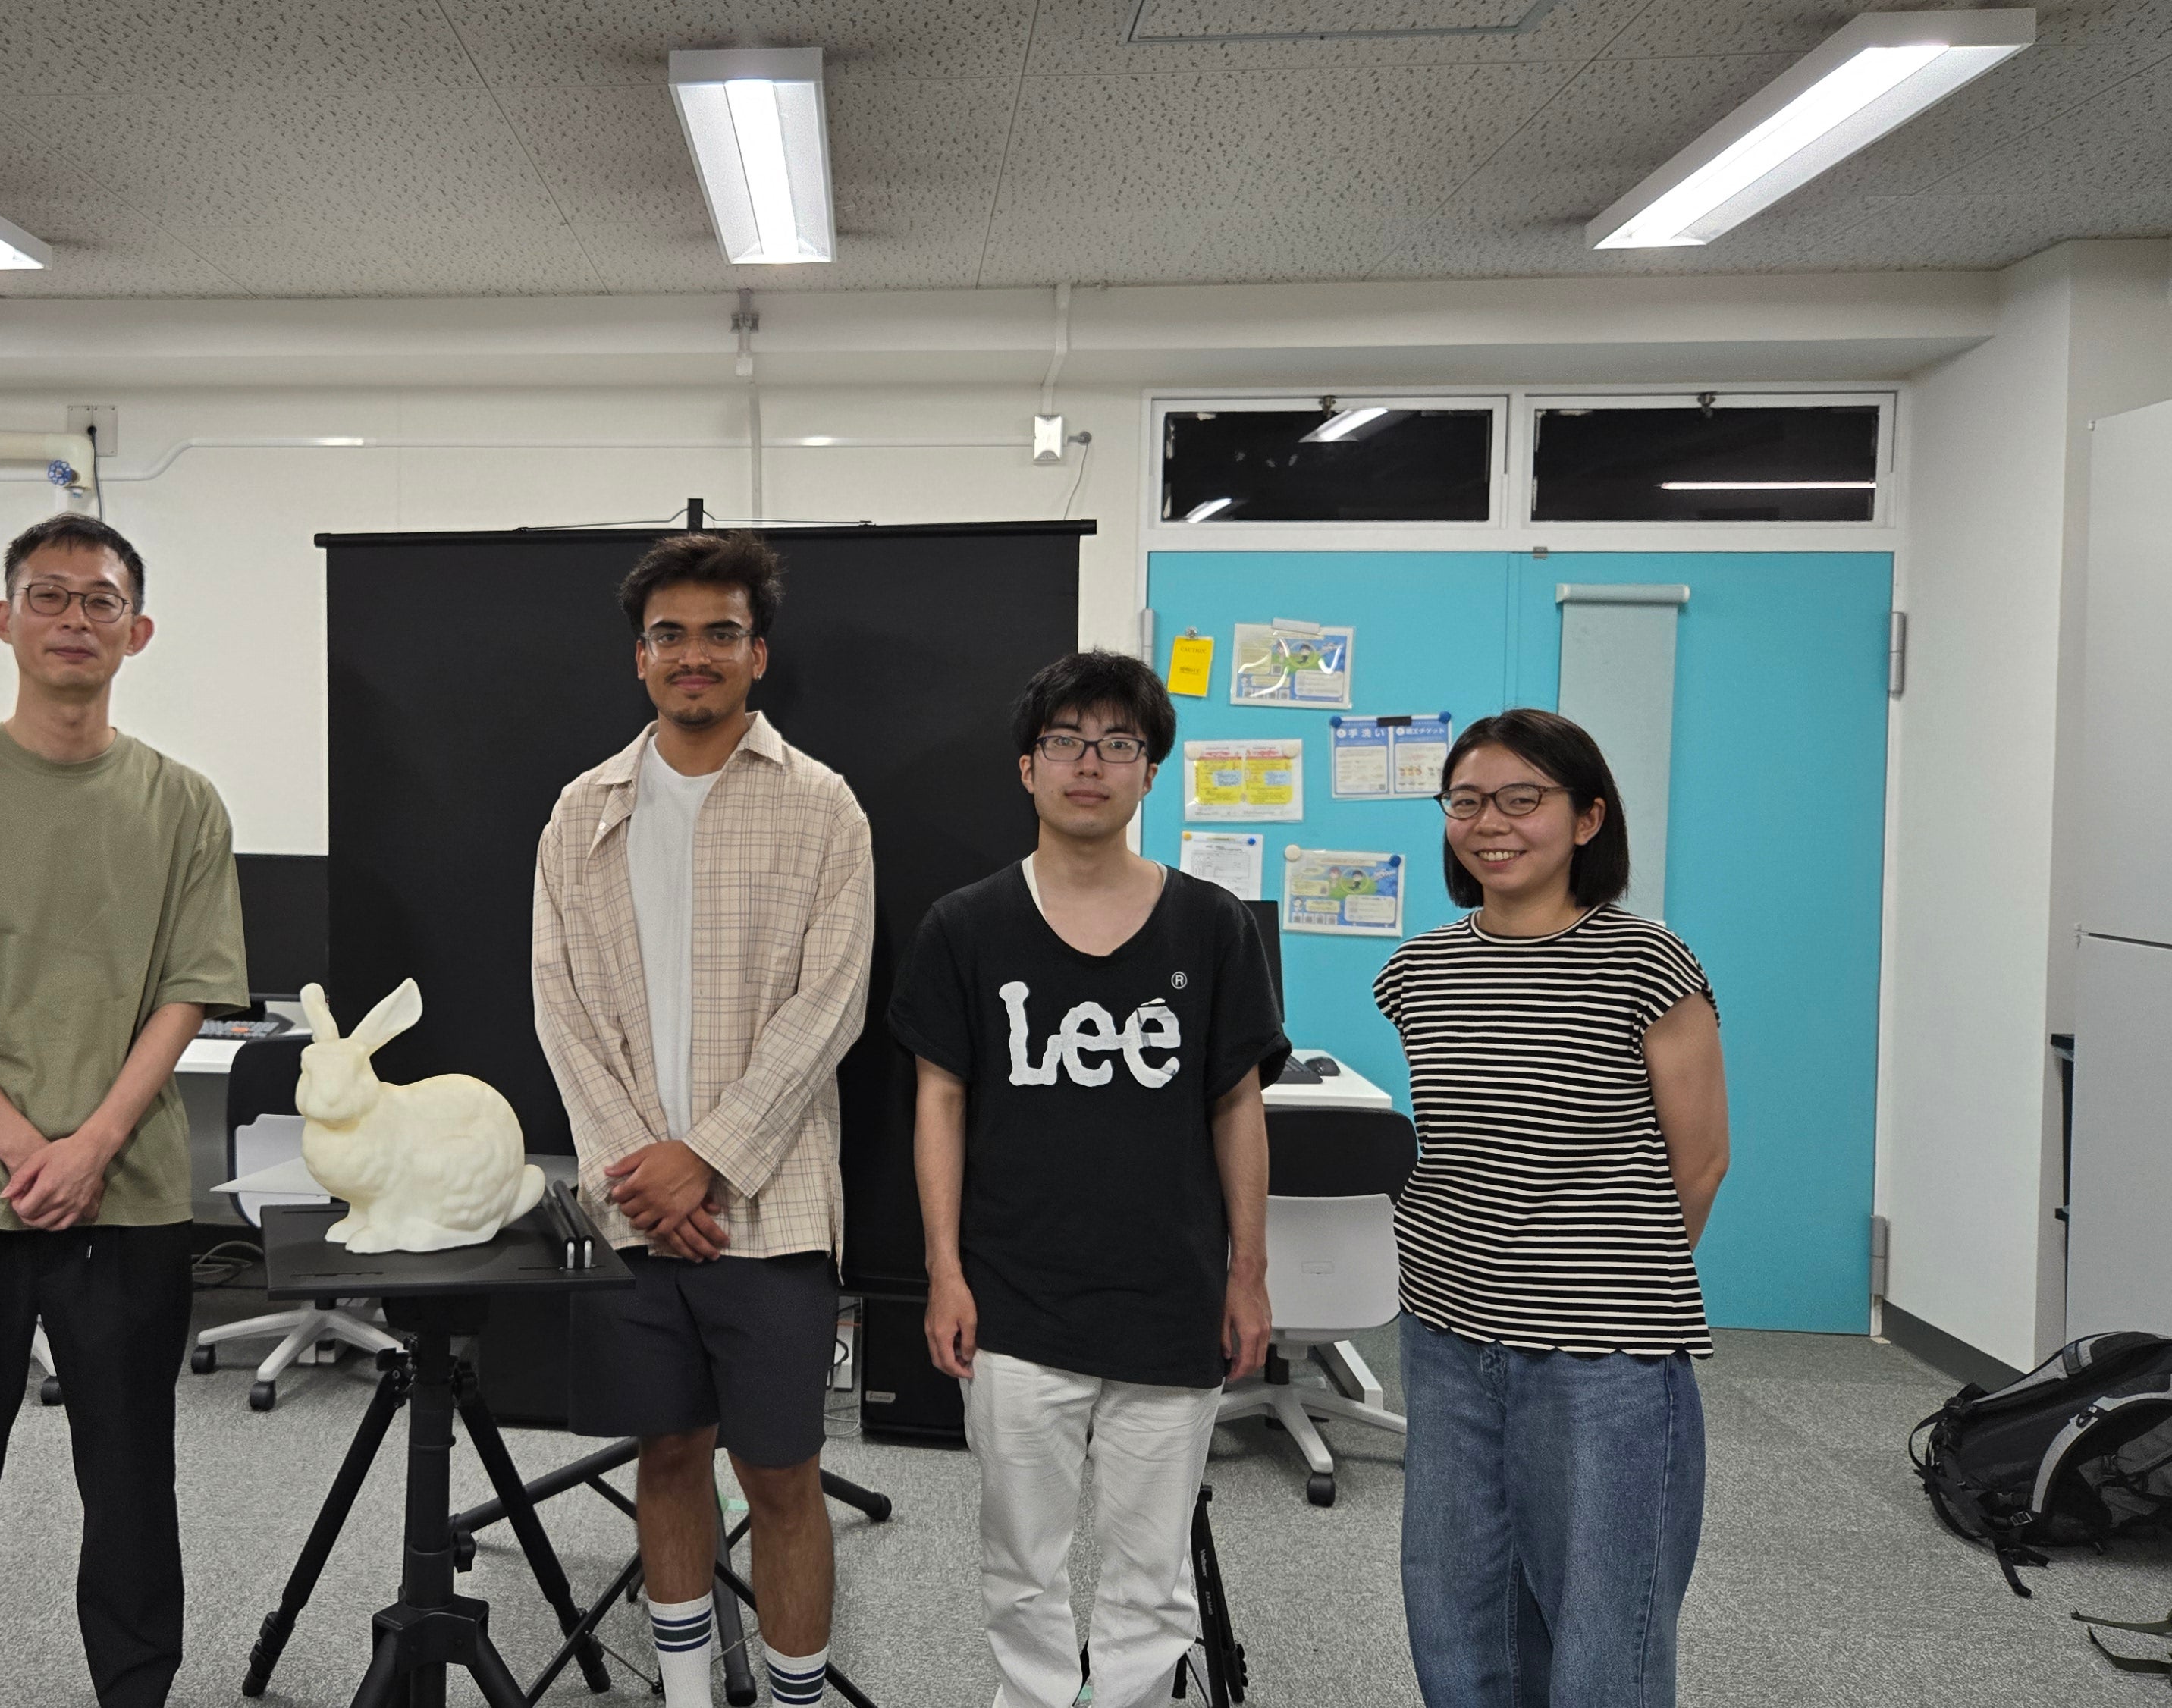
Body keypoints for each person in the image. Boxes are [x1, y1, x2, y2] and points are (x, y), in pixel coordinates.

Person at [0, 512, 249, 1708]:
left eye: (101, 600)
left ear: (140, 629)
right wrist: (29, 1148)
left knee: (131, 1483)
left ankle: (137, 1690)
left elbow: (190, 993)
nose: (76, 619)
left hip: (126, 1199)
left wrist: (95, 1145)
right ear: (4, 618)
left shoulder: (182, 805)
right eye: (50, 596)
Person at [889, 649, 1284, 1708]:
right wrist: (943, 1270)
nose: (1090, 764)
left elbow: (1237, 1104)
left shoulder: (1212, 923)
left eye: (1119, 744)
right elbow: (941, 1103)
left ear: (1150, 771)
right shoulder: (965, 927)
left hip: (1172, 1295)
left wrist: (1248, 1274)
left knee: (1150, 1585)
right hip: (1015, 1297)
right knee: (1022, 1571)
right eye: (1065, 742)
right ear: (1027, 767)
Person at [530, 531, 873, 1708]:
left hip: (769, 1214)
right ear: (640, 659)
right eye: (670, 635)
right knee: (665, 1456)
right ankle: (683, 1695)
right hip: (635, 1211)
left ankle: (790, 1699)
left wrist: (707, 1163)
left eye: (719, 633)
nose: (694, 656)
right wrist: (647, 1179)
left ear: (756, 654)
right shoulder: (583, 813)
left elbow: (831, 1009)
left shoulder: (824, 808)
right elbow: (559, 1005)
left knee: (782, 1475)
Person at [1377, 708, 1731, 1708]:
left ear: (1586, 819)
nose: (1493, 821)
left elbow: (1700, 1160)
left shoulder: (1645, 961)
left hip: (1600, 1352)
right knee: (1456, 1607)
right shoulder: (1420, 971)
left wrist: (1597, 1283)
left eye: (1524, 798)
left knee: (1601, 1628)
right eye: (1468, 800)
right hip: (1445, 1335)